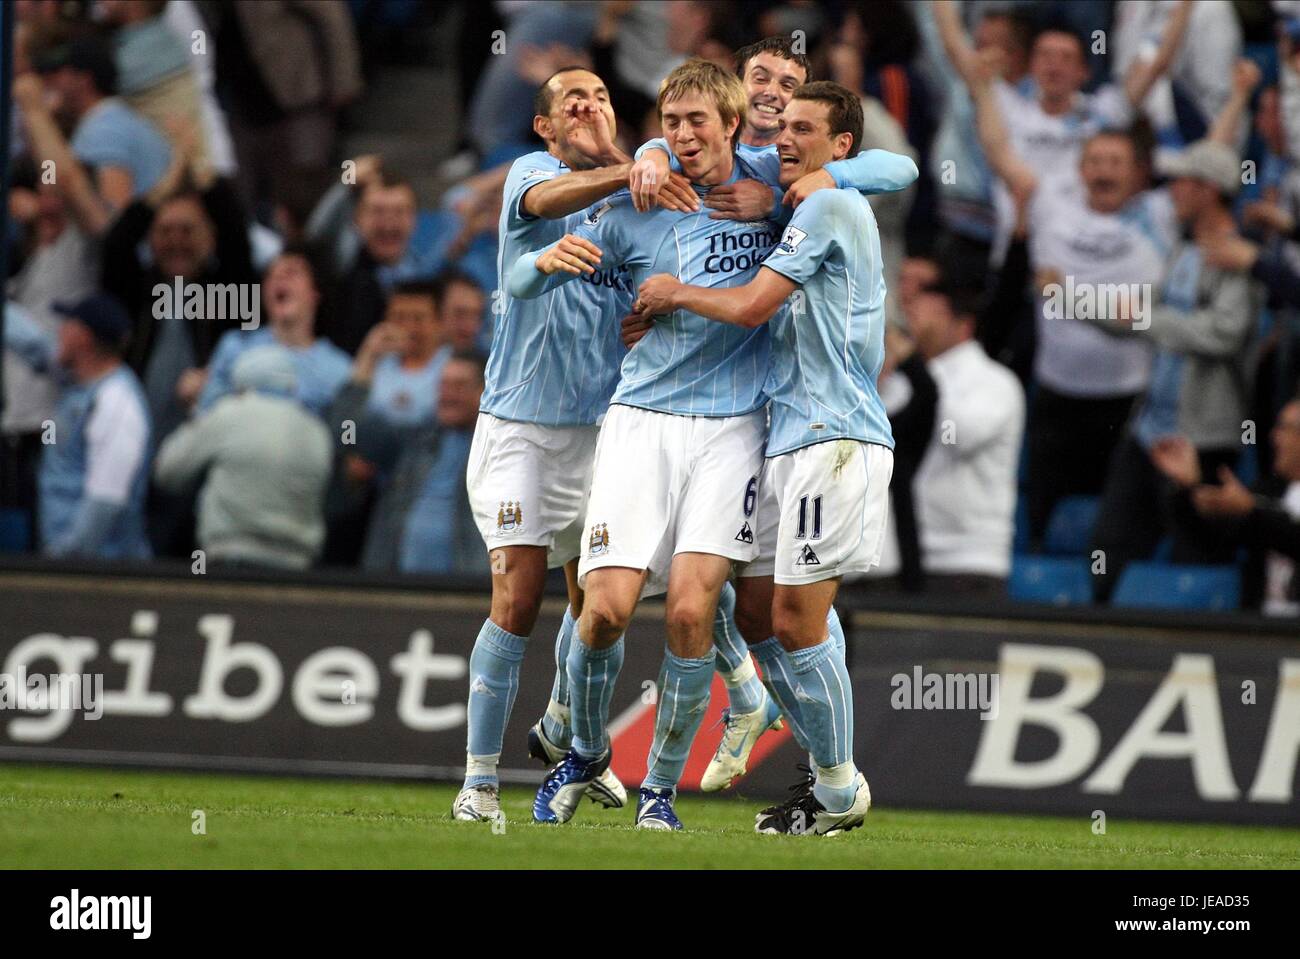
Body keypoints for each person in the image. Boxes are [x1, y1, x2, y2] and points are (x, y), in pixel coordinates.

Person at [512, 59, 916, 829]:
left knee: (728, 612)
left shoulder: (788, 187)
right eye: (671, 123)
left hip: (760, 428)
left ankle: (690, 788)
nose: (684, 134)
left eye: (700, 120)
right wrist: (549, 262)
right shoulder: (642, 196)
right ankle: (594, 746)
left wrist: (816, 182)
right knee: (620, 610)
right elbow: (547, 272)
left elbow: (897, 167)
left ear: (735, 127)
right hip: (669, 421)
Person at [632, 81, 896, 835]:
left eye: (806, 129)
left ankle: (837, 789)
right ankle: (819, 763)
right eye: (783, 126)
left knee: (800, 619)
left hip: (834, 434)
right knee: (753, 611)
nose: (786, 138)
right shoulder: (798, 204)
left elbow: (752, 304)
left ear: (841, 147)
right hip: (788, 434)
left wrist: (675, 294)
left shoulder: (830, 206)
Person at [1087, 138, 1261, 602]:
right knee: (1108, 547)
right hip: (1148, 432)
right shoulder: (1182, 252)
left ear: (1207, 190)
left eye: (1182, 182)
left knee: (1196, 558)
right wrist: (1074, 300)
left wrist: (1148, 320)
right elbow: (1147, 318)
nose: (1173, 191)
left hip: (1202, 439)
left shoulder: (1239, 257)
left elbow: (1224, 333)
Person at [933, 0, 1192, 265]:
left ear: (1084, 71)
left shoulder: (1102, 113)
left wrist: (1185, 6)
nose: (1054, 66)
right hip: (1019, 256)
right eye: (1045, 56)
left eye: (1066, 58)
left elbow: (1156, 64)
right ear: (1031, 65)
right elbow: (955, 49)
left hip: (1078, 261)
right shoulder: (1007, 108)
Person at [153, 345, 333, 569]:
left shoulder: (228, 413)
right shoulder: (318, 431)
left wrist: (195, 415)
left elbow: (168, 471)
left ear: (240, 384)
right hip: (298, 567)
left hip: (231, 560)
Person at [907, 268, 1025, 594]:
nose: (917, 322)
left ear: (964, 325)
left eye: (934, 314)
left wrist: (917, 373)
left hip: (970, 560)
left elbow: (959, 436)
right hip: (910, 553)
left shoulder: (995, 382)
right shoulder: (909, 379)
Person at [6, 295, 151, 560]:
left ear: (83, 337)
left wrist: (66, 562)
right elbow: (34, 345)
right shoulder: (78, 381)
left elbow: (105, 501)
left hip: (103, 572)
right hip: (71, 559)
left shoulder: (116, 401)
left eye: (66, 325)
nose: (58, 332)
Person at [332, 352, 489, 574]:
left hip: (467, 590)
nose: (448, 395)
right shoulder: (411, 442)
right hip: (398, 588)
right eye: (443, 385)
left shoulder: (500, 452)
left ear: (486, 391)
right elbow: (347, 429)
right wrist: (365, 366)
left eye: (460, 385)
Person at [1152, 397, 1300, 616]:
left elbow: (1291, 534)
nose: (1274, 436)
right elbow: (1211, 543)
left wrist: (1252, 512)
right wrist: (1187, 490)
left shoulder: (1255, 505)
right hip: (1260, 629)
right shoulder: (1267, 491)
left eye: (1285, 428)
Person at [199, 250, 351, 419]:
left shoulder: (340, 368)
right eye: (270, 275)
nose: (278, 279)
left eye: (291, 273)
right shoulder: (235, 346)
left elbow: (347, 432)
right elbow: (204, 414)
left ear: (314, 292)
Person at [31, 33, 172, 210]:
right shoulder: (113, 118)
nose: (47, 84)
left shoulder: (103, 129)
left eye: (56, 74)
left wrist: (35, 114)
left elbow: (114, 219)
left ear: (83, 79)